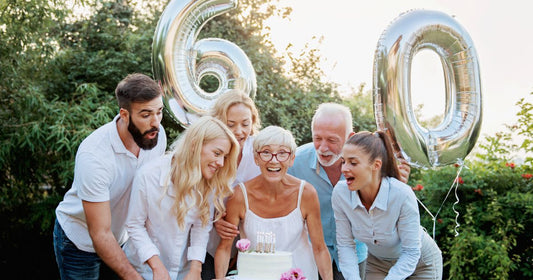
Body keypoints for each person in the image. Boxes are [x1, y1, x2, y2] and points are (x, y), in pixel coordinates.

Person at [53, 73, 166, 280]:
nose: (156, 122)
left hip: (123, 238)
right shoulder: (94, 156)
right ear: (124, 114)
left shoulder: (157, 135)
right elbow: (100, 234)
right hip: (80, 241)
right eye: (146, 114)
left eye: (159, 112)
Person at [287, 103, 411, 280]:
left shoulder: (370, 166)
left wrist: (394, 190)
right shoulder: (295, 163)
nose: (322, 148)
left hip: (355, 255)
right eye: (317, 138)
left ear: (350, 137)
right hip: (309, 256)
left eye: (332, 140)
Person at [123, 116, 240, 280]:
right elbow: (134, 225)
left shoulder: (209, 181)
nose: (221, 163)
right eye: (217, 153)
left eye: (225, 157)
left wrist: (195, 270)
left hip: (183, 272)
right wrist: (157, 266)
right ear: (194, 146)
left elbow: (201, 227)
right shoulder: (148, 175)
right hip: (143, 270)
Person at [214, 126, 333, 280]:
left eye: (282, 153)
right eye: (266, 152)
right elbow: (224, 248)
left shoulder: (306, 193)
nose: (274, 160)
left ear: (292, 159)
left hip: (301, 274)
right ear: (256, 158)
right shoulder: (239, 196)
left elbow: (319, 248)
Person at [332, 131, 442, 280]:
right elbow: (345, 245)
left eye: (353, 162)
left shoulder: (401, 194)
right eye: (343, 161)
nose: (344, 168)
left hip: (421, 264)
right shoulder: (340, 193)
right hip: (378, 263)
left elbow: (411, 252)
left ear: (376, 165)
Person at [202, 90, 262, 279]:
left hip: (248, 246)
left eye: (245, 124)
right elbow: (195, 195)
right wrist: (215, 220)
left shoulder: (260, 152)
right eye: (231, 124)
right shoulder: (208, 152)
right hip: (205, 244)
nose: (239, 131)